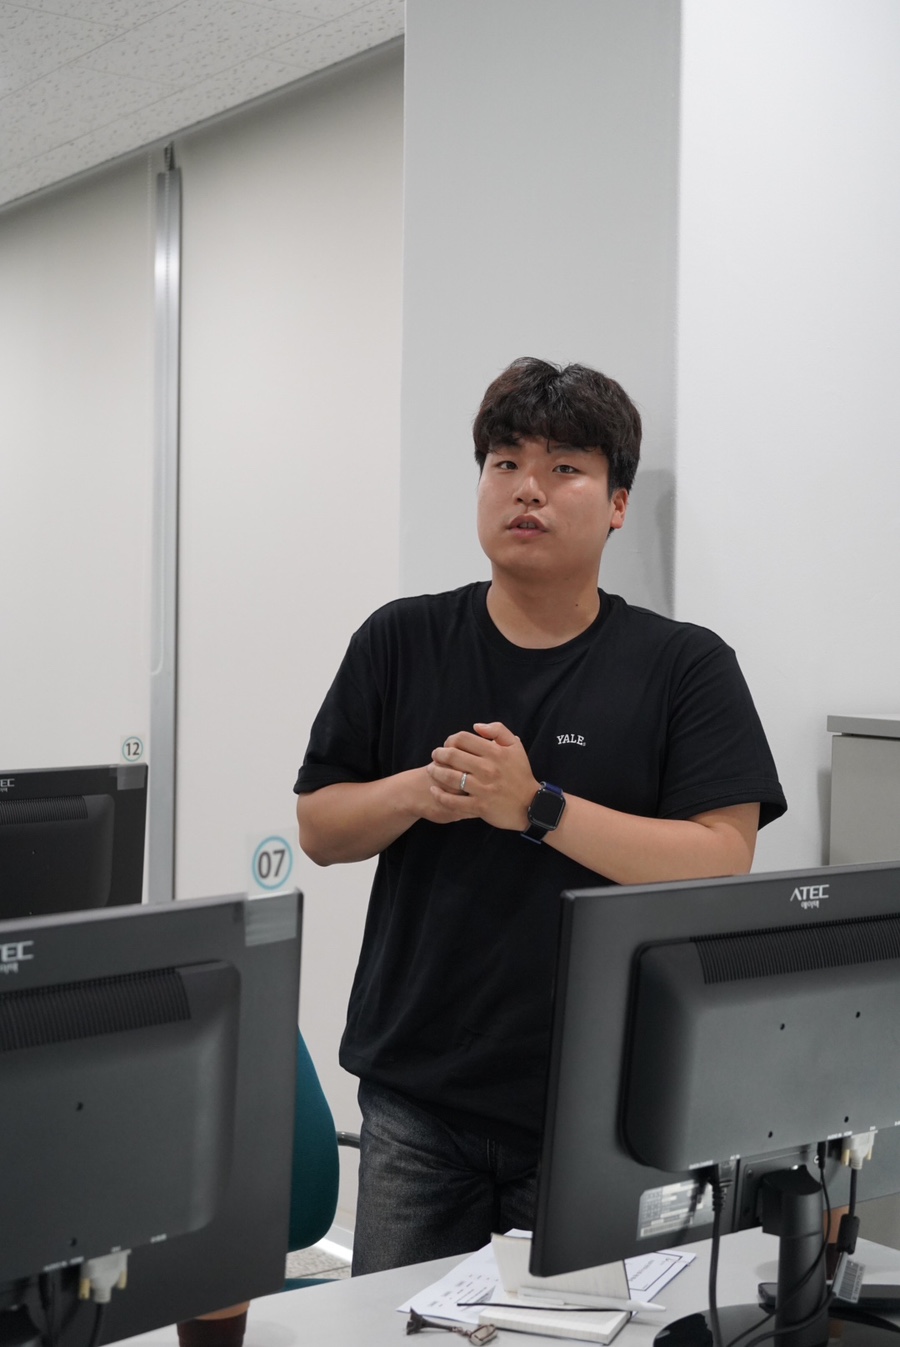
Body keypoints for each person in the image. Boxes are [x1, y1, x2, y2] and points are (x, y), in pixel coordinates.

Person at [294, 356, 786, 1275]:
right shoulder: (400, 638)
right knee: (398, 1329)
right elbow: (320, 828)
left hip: (603, 1102)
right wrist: (424, 790)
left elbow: (722, 856)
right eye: (506, 463)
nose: (528, 488)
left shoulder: (684, 666)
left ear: (617, 504)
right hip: (417, 1095)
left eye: (565, 467)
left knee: (590, 1329)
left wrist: (535, 806)